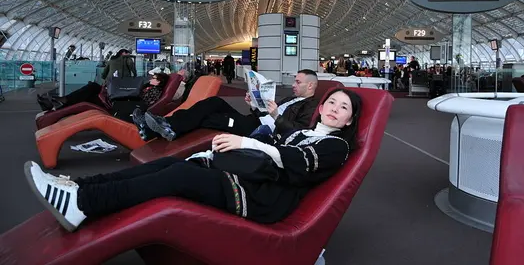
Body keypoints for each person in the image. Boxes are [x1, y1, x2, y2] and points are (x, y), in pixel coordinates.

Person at [23, 89, 362, 231]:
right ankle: (78, 188)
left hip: (263, 198)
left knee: (179, 178)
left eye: (344, 107)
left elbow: (298, 162)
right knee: (169, 165)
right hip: (251, 178)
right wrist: (215, 152)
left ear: (348, 121)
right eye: (332, 102)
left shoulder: (336, 145)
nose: (335, 108)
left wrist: (245, 140)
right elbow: (274, 146)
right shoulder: (301, 132)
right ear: (322, 107)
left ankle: (82, 203)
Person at [131, 69, 320, 141]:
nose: (293, 85)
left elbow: (298, 132)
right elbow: (265, 113)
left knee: (210, 117)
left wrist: (277, 116)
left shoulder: (311, 106)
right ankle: (162, 127)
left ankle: (160, 128)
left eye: (298, 82)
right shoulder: (290, 99)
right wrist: (254, 104)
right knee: (214, 103)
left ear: (310, 85)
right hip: (254, 119)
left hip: (259, 131)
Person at [37, 73, 169, 115]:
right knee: (89, 93)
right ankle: (58, 104)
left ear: (159, 82)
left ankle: (60, 103)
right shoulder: (148, 87)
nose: (151, 79)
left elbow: (144, 103)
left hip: (121, 105)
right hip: (118, 101)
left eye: (154, 78)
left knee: (91, 90)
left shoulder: (155, 91)